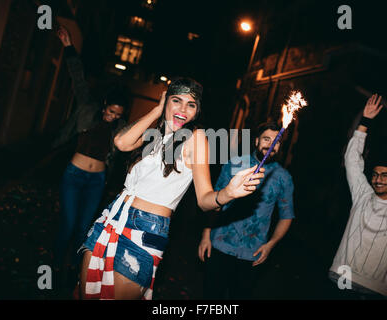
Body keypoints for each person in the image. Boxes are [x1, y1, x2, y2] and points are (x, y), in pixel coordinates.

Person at [78, 77, 265, 300]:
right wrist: (157, 110)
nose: (183, 109)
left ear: (197, 112)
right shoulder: (154, 134)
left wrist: (228, 193)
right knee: (87, 294)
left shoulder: (196, 139)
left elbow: (204, 198)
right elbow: (121, 142)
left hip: (145, 230)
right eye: (176, 100)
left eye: (191, 105)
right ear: (166, 100)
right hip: (111, 218)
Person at [52, 26, 129, 275]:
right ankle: (55, 264)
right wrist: (68, 46)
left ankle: (74, 270)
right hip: (74, 176)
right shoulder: (87, 107)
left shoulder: (121, 129)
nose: (112, 116)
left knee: (85, 225)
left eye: (117, 114)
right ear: (105, 104)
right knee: (69, 222)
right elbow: (77, 77)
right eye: (110, 111)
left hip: (97, 180)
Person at [328, 94, 387, 299]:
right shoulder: (363, 195)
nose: (378, 179)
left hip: (374, 288)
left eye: (386, 175)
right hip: (343, 276)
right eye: (376, 174)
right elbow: (352, 160)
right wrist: (364, 122)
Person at [198, 121, 295, 299]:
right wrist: (206, 235)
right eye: (266, 139)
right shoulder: (235, 164)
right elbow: (214, 202)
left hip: (252, 254)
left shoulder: (284, 178)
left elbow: (286, 216)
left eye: (277, 141)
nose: (271, 144)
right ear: (256, 141)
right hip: (220, 245)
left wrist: (271, 245)